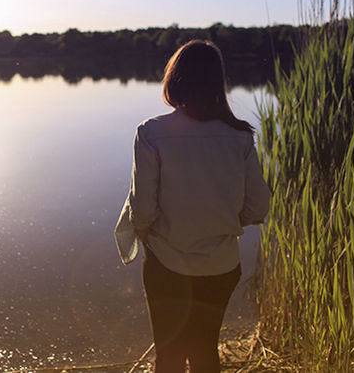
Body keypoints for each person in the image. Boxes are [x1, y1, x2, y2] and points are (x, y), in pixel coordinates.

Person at [115, 40, 270, 373]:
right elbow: (258, 207)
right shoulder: (240, 136)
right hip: (221, 266)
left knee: (169, 355)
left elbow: (142, 210)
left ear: (176, 80)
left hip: (167, 265)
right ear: (218, 82)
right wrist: (223, 219)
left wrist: (146, 232)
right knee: (204, 352)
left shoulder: (151, 133)